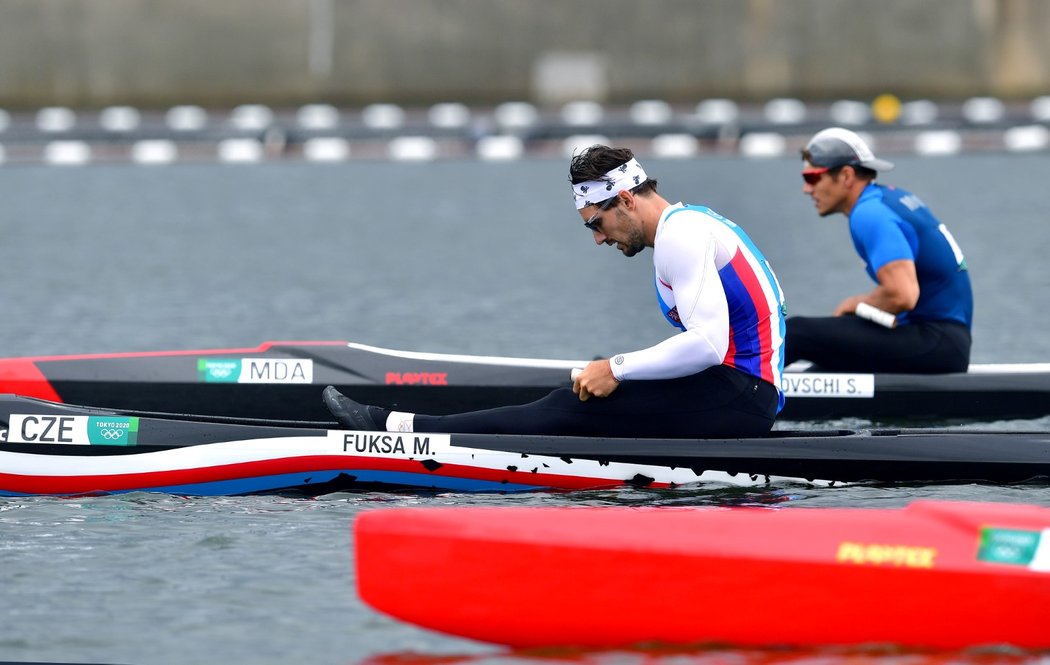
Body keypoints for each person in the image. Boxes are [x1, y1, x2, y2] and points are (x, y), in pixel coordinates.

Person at [324, 145, 786, 439]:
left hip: (739, 396)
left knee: (566, 404)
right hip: (743, 392)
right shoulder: (691, 223)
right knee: (588, 392)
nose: (599, 240)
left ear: (625, 199)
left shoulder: (679, 238)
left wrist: (617, 369)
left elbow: (707, 345)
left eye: (597, 224)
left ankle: (400, 429)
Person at [785, 127, 973, 374]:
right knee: (825, 358)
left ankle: (733, 395)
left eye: (812, 178)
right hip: (946, 340)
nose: (806, 189)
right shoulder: (891, 198)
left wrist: (855, 302)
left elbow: (902, 295)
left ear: (846, 176)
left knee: (796, 333)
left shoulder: (869, 214)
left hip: (936, 342)